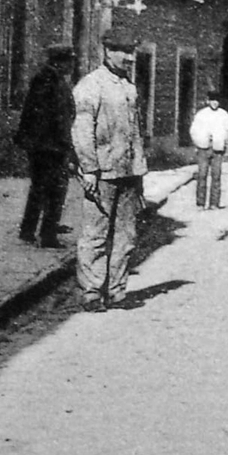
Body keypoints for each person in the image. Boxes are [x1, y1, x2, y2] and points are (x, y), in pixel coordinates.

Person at [71, 29, 148, 313]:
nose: (129, 58)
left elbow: (135, 133)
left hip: (128, 172)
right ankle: (91, 292)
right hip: (102, 173)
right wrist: (89, 169)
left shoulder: (130, 88)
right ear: (107, 51)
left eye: (131, 52)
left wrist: (140, 170)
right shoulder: (90, 86)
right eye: (123, 52)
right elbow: (81, 131)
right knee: (95, 235)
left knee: (126, 236)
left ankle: (116, 290)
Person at [15, 44, 77, 248]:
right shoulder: (48, 80)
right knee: (54, 190)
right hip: (49, 145)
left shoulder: (51, 79)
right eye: (69, 61)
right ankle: (47, 235)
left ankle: (32, 229)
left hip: (47, 144)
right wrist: (64, 141)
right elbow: (51, 115)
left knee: (42, 188)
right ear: (60, 61)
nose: (72, 65)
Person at [189, 90, 228, 210]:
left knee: (216, 176)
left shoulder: (224, 115)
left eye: (217, 101)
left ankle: (214, 203)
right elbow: (194, 131)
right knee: (202, 175)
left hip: (218, 149)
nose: (215, 103)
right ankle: (200, 203)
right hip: (204, 148)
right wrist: (200, 142)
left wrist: (224, 142)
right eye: (212, 100)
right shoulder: (201, 115)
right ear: (208, 101)